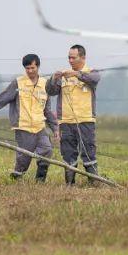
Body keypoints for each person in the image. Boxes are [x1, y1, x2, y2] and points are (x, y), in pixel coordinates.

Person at [0, 54, 58, 182]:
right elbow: (1, 99)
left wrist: (55, 128)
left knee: (46, 150)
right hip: (23, 127)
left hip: (40, 126)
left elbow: (47, 110)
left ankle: (40, 181)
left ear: (38, 67)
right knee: (24, 157)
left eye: (32, 68)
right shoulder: (18, 83)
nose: (30, 71)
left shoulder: (45, 84)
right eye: (27, 68)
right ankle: (16, 178)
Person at [46, 44, 101, 184]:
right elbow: (51, 91)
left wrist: (77, 74)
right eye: (69, 58)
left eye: (73, 57)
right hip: (66, 121)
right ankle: (70, 184)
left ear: (82, 57)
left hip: (86, 120)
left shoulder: (91, 71)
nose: (70, 61)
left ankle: (93, 181)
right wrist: (53, 78)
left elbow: (94, 79)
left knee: (88, 151)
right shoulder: (64, 76)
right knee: (68, 153)